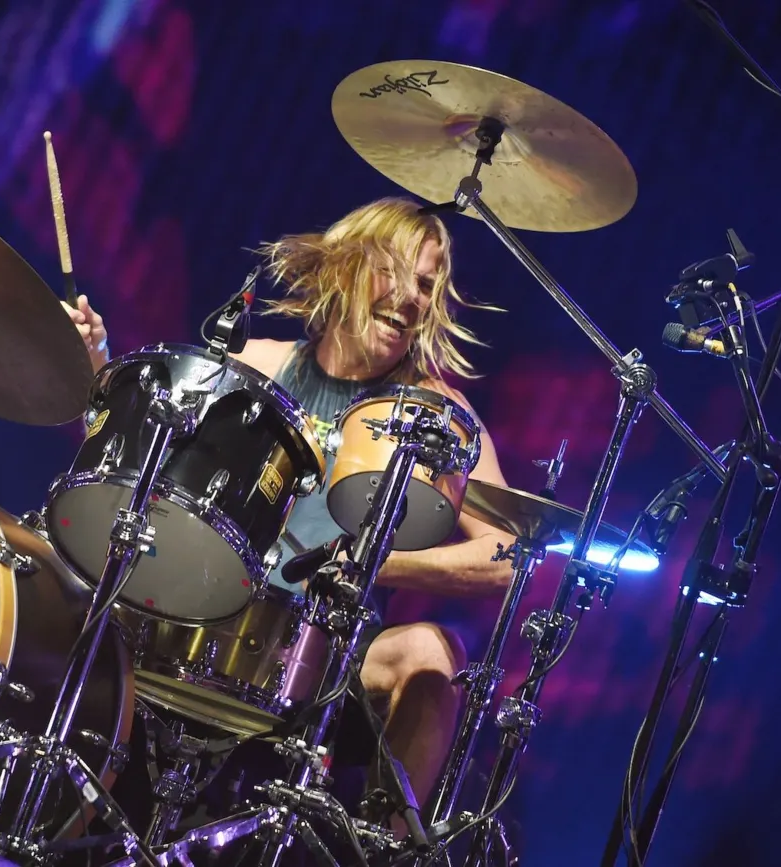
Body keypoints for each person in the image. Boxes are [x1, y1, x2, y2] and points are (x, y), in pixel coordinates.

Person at [62, 197, 514, 810]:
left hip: (328, 651)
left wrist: (372, 563)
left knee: (435, 656)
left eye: (427, 286)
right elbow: (137, 455)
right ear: (347, 268)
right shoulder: (260, 364)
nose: (412, 297)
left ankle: (384, 846)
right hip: (203, 615)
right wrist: (92, 360)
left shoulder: (435, 414)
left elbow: (506, 557)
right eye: (396, 272)